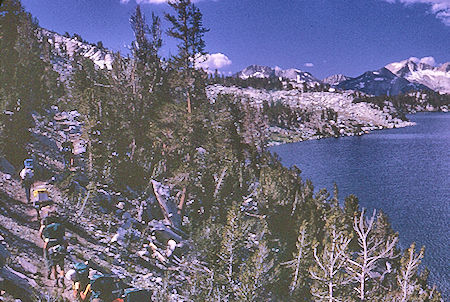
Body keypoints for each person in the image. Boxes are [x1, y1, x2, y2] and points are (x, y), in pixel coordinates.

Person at [39, 213, 67, 287]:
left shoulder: (48, 227)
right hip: (60, 246)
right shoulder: (61, 227)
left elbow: (40, 234)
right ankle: (61, 277)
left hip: (50, 245)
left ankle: (54, 279)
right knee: (61, 266)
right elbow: (64, 239)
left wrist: (44, 240)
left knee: (52, 264)